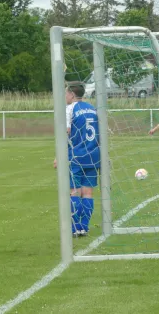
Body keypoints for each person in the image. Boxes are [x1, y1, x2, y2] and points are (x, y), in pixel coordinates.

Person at [54, 82, 100, 237]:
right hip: (94, 156)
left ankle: (74, 228)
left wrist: (58, 156)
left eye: (66, 93)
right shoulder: (92, 109)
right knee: (87, 193)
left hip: (77, 156)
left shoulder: (69, 109)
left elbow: (66, 133)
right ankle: (84, 227)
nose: (65, 96)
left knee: (74, 192)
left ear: (72, 94)